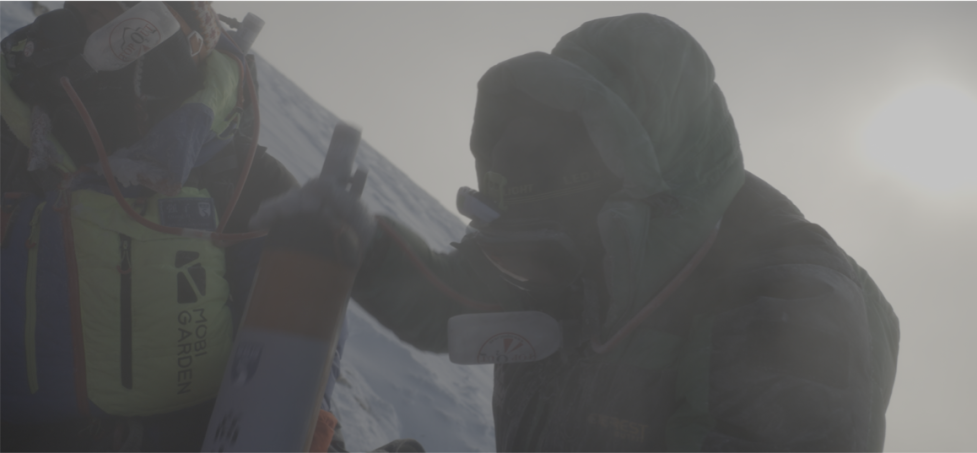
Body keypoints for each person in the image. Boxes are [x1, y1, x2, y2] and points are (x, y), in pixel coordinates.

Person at [258, 12, 900, 453]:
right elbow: (458, 300)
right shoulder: (578, 239)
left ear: (625, 199)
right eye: (512, 250)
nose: (524, 276)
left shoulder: (791, 308)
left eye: (535, 256)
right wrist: (359, 248)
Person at [0, 1, 347, 452]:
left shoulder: (238, 171)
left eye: (139, 21)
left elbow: (295, 330)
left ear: (192, 44)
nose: (110, 32)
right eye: (91, 11)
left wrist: (305, 424)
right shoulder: (20, 118)